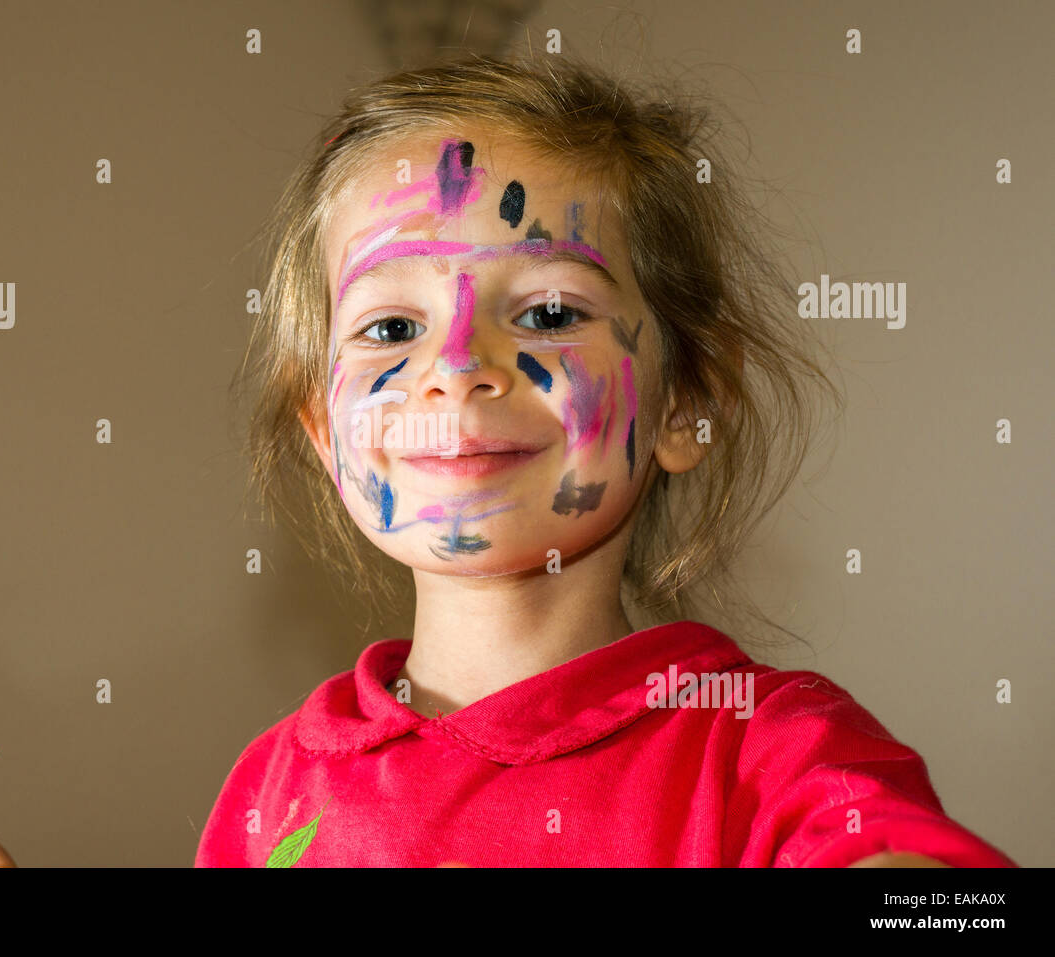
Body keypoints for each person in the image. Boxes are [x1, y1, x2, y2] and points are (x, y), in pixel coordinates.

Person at [194, 54, 1015, 868]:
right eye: (391, 329)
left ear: (685, 400)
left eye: (550, 311)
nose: (455, 365)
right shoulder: (271, 791)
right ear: (322, 426)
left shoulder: (768, 755)